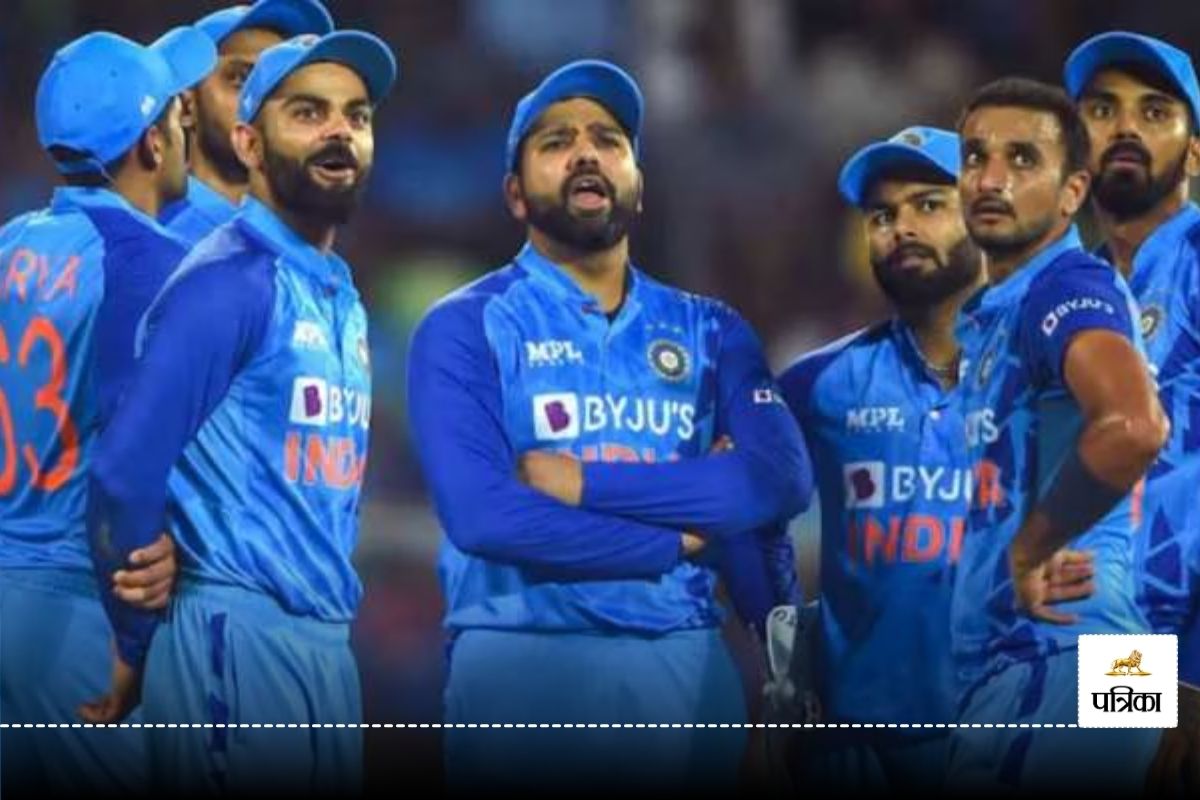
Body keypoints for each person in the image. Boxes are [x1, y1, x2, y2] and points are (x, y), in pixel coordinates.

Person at [407, 59, 812, 793]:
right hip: (527, 662)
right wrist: (678, 537)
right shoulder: (465, 325)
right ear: (514, 194)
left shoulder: (712, 328)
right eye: (557, 142)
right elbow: (484, 516)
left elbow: (776, 483)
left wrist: (579, 483)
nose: (586, 153)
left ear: (639, 185)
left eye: (608, 139)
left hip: (687, 664)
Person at [86, 30, 397, 795]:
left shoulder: (335, 288)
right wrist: (135, 641)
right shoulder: (230, 280)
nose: (339, 132)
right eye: (308, 113)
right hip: (235, 639)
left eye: (356, 116)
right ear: (250, 144)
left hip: (324, 646)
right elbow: (123, 468)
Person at [0, 26, 215, 796]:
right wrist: (134, 637)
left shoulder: (10, 244)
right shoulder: (154, 265)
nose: (187, 129)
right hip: (76, 611)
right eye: (177, 117)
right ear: (152, 142)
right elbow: (129, 467)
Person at [946, 76, 1168, 794]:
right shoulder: (1000, 311)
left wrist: (1028, 550)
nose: (990, 179)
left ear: (1074, 192)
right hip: (1109, 654)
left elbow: (1134, 428)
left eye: (1022, 159)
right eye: (975, 157)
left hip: (1056, 656)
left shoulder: (1063, 284)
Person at [773, 126, 985, 794]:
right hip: (860, 751)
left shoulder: (1059, 371)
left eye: (930, 204)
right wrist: (787, 676)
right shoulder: (816, 383)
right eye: (882, 215)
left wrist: (1140, 714)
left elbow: (1132, 558)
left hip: (1024, 737)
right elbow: (732, 521)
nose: (902, 228)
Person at [1064, 31, 1200, 794]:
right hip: (1110, 637)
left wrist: (1189, 680)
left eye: (1153, 112)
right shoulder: (1065, 293)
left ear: (1196, 152)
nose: (1124, 127)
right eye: (1102, 110)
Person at [161, 0, 334, 244]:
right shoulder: (156, 239)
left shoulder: (312, 247)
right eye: (241, 79)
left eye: (282, 84)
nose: (265, 99)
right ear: (186, 107)